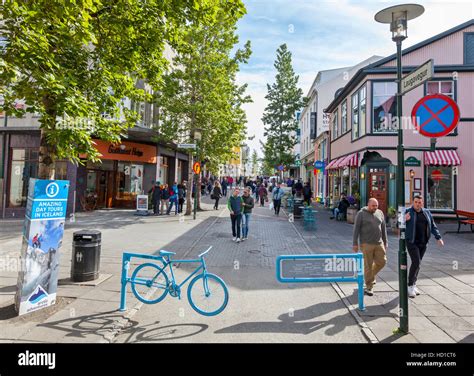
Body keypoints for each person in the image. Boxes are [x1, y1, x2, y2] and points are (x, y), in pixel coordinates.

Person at [405, 195, 444, 298]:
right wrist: (404, 219)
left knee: (418, 264)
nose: (418, 204)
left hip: (423, 242)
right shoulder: (408, 212)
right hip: (412, 242)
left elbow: (433, 226)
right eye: (416, 202)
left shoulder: (426, 212)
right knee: (416, 262)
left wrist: (438, 237)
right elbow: (397, 225)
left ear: (422, 203)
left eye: (419, 202)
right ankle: (409, 286)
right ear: (413, 202)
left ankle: (414, 284)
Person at [352, 198, 388, 296]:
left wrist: (385, 241)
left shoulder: (380, 213)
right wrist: (354, 243)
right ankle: (369, 287)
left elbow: (383, 228)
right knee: (368, 265)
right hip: (366, 243)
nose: (375, 208)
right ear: (368, 205)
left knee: (382, 261)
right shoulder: (361, 214)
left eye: (376, 206)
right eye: (373, 206)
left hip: (379, 243)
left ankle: (369, 277)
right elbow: (356, 229)